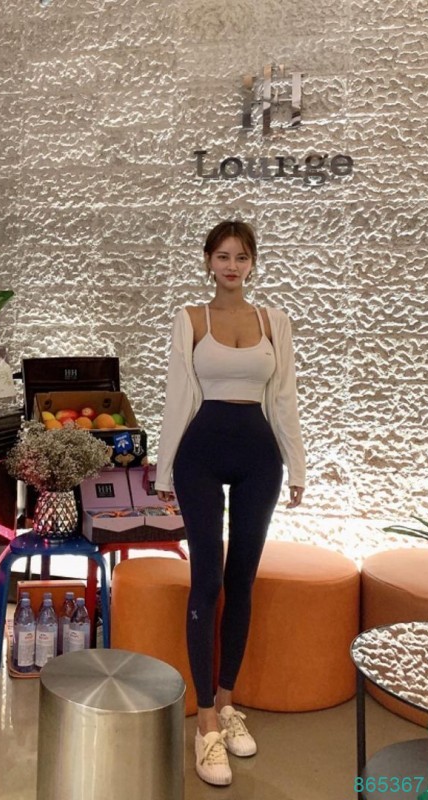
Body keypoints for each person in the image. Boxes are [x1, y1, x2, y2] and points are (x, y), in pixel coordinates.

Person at [154, 220, 306, 787]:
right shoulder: (191, 318)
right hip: (200, 454)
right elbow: (177, 395)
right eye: (223, 256)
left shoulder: (274, 322)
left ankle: (227, 700)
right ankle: (205, 722)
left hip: (259, 458)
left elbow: (284, 396)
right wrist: (164, 469)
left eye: (241, 257)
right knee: (208, 581)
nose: (232, 266)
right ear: (208, 261)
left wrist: (297, 466)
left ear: (253, 263)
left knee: (242, 580)